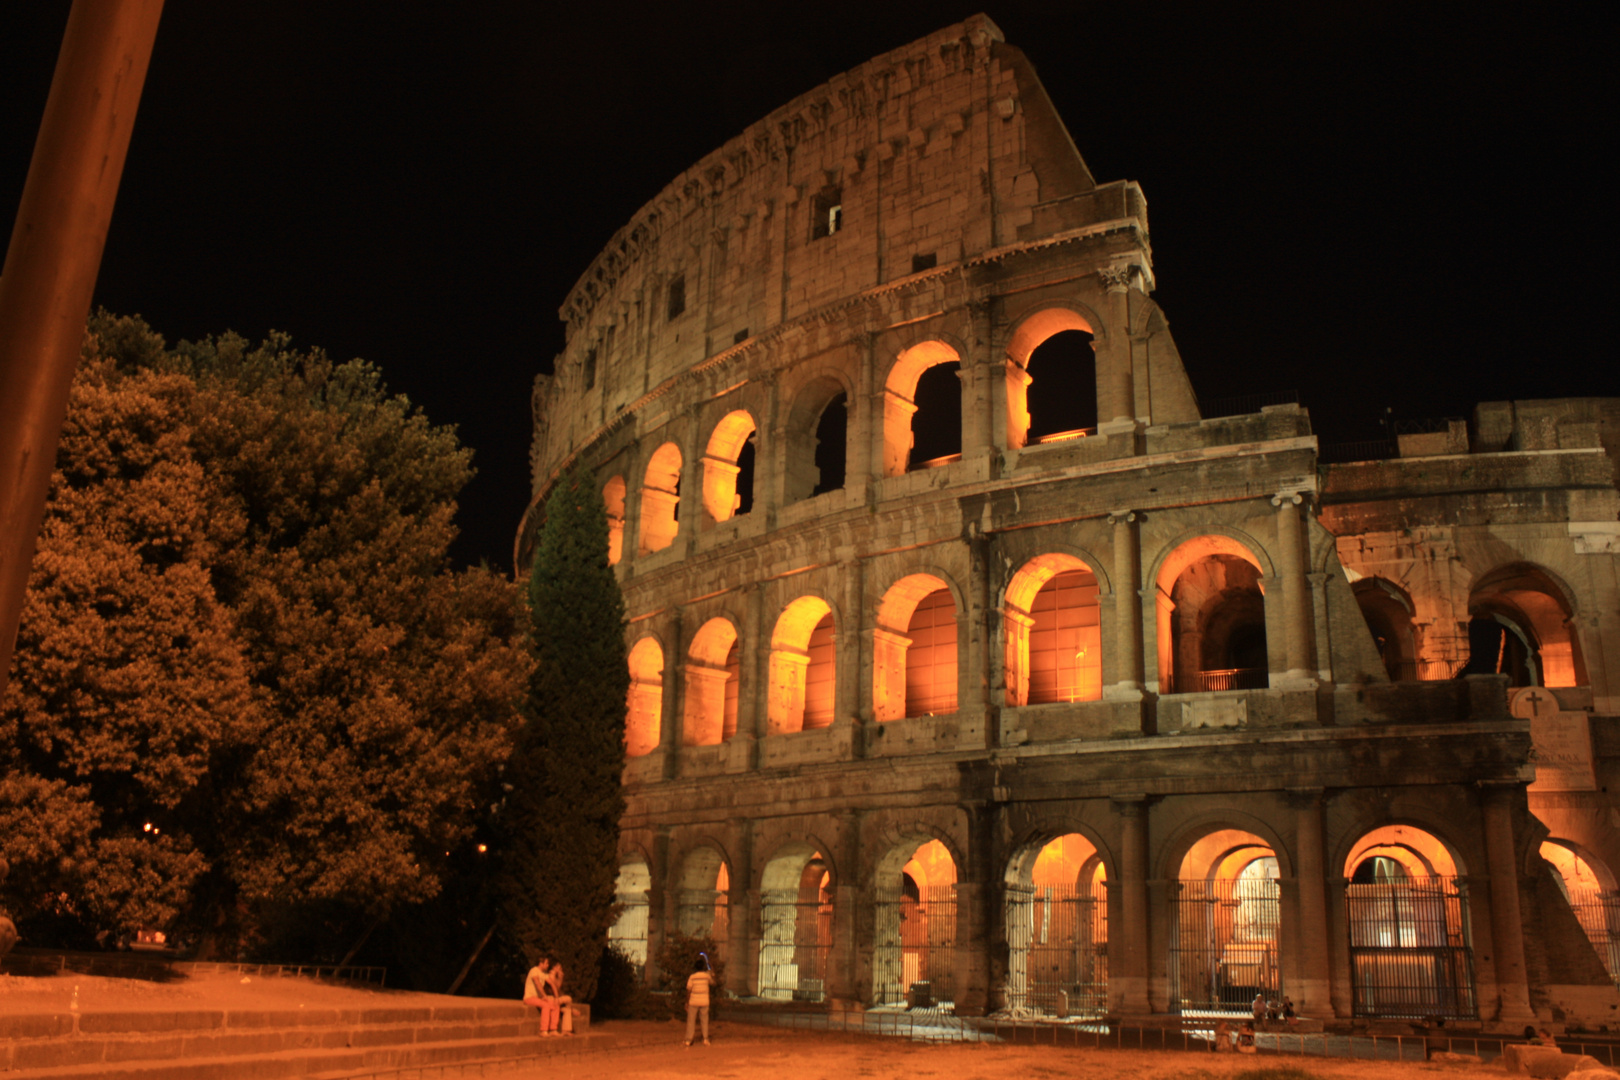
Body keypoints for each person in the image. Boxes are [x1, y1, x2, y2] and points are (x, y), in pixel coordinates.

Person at [523, 957, 559, 1036]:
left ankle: (553, 1029)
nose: (548, 965)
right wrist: (544, 995)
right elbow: (537, 983)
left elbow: (552, 984)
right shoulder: (534, 971)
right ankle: (543, 1030)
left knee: (555, 1004)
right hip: (529, 998)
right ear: (540, 963)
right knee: (546, 1005)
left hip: (538, 998)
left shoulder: (543, 974)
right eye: (546, 963)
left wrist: (556, 998)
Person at [685, 955, 715, 1047]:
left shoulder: (692, 977)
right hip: (705, 1001)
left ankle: (689, 1040)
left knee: (691, 1021)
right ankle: (705, 1039)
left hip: (693, 1001)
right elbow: (714, 983)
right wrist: (711, 969)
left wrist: (686, 1002)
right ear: (703, 967)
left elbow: (689, 990)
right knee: (704, 1020)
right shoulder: (707, 976)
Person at [550, 960, 575, 1035]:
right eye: (559, 967)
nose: (560, 969)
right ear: (554, 967)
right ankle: (572, 1010)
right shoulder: (551, 974)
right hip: (551, 998)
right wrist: (556, 975)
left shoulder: (556, 975)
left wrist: (560, 978)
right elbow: (553, 986)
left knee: (566, 1010)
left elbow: (558, 987)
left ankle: (566, 1030)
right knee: (568, 998)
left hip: (557, 999)